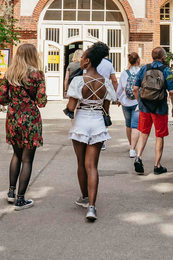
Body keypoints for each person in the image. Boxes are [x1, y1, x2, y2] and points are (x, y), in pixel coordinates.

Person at [65, 42, 116, 222]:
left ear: (87, 61)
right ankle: (92, 208)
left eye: (82, 57)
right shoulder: (106, 82)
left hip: (81, 122)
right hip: (97, 123)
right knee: (92, 165)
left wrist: (71, 106)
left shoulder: (78, 80)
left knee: (81, 163)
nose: (80, 60)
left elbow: (71, 106)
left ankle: (85, 198)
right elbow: (106, 109)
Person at [0, 44, 47, 211]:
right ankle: (20, 199)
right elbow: (42, 101)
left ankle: (11, 192)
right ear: (33, 55)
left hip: (13, 116)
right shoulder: (37, 74)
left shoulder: (10, 73)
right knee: (27, 159)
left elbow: (2, 98)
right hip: (30, 118)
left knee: (16, 155)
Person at [132, 47, 173, 175]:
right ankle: (157, 165)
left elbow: (135, 89)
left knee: (144, 133)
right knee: (159, 135)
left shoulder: (144, 68)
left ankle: (138, 157)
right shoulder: (166, 70)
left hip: (145, 106)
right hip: (160, 107)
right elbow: (172, 92)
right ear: (163, 57)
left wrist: (140, 102)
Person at [117, 52, 141, 158]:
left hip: (126, 102)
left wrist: (118, 99)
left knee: (128, 124)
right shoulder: (141, 72)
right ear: (138, 60)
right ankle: (132, 150)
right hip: (137, 102)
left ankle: (131, 144)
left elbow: (120, 88)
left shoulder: (124, 73)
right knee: (135, 125)